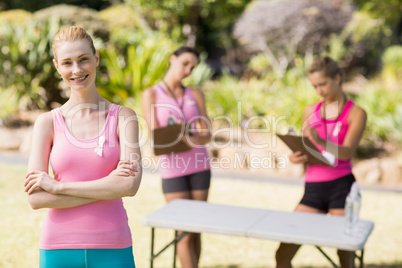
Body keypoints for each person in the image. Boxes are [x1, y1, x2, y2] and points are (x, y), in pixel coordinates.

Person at [24, 26, 142, 268]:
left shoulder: (124, 117)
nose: (76, 70)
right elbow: (36, 198)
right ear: (57, 66)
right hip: (58, 248)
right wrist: (108, 186)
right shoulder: (47, 123)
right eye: (67, 63)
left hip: (113, 246)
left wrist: (58, 187)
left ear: (96, 58)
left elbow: (129, 185)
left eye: (83, 59)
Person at [275, 56, 367, 268]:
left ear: (337, 77)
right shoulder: (311, 111)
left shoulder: (356, 113)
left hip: (341, 188)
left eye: (323, 84)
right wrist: (295, 157)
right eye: (315, 86)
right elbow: (305, 147)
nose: (319, 90)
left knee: (346, 257)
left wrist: (319, 141)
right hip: (313, 189)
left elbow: (346, 152)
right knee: (282, 254)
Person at [142, 46, 211, 268]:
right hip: (173, 169)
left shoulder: (195, 93)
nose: (188, 70)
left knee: (197, 227)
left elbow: (207, 133)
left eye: (193, 67)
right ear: (172, 59)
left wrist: (194, 137)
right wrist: (179, 136)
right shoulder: (151, 94)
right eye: (185, 63)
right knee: (183, 230)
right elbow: (155, 135)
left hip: (200, 166)